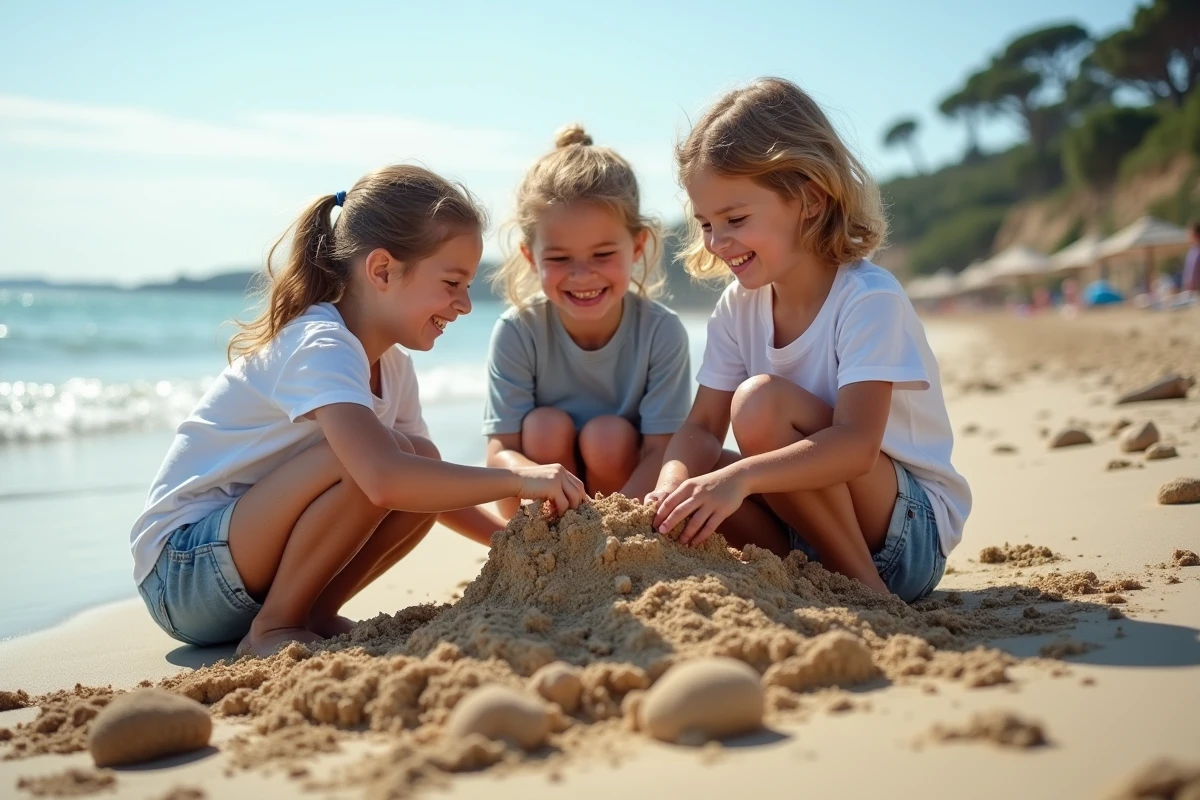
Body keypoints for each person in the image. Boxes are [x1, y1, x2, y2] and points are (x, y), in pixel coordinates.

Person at [130, 165, 585, 657]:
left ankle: (310, 614)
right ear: (382, 270)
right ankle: (276, 626)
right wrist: (519, 482)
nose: (465, 305)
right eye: (452, 282)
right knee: (380, 458)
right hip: (183, 576)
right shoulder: (320, 342)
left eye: (468, 286)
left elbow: (422, 485)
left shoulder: (393, 366)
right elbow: (383, 479)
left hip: (243, 573)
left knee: (419, 457)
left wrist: (512, 542)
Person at [646, 78, 971, 603]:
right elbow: (701, 427)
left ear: (810, 199)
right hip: (807, 535)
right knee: (698, 476)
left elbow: (858, 447)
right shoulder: (738, 307)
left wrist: (741, 480)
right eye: (705, 223)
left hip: (903, 538)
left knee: (758, 405)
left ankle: (868, 596)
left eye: (735, 219)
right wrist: (669, 490)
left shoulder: (868, 298)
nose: (717, 241)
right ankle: (811, 578)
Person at [484, 125, 692, 520]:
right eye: (560, 259)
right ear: (531, 258)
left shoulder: (660, 331)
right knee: (544, 426)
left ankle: (601, 533)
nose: (582, 275)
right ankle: (553, 537)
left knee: (607, 437)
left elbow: (662, 452)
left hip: (629, 505)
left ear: (638, 246)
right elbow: (498, 453)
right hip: (534, 507)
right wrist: (541, 479)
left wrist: (616, 521)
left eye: (602, 254)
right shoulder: (518, 330)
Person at [1181, 219, 1200, 296]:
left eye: (1189, 234)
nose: (1187, 237)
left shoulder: (1196, 252)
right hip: (1191, 292)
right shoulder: (1192, 252)